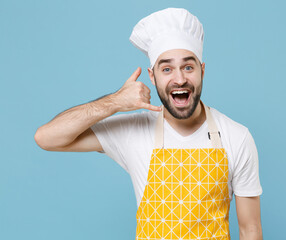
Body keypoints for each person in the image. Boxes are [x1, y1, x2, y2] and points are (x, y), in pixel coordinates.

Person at [34, 8, 263, 240]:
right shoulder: (135, 130)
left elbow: (250, 229)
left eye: (188, 67)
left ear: (202, 71)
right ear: (152, 77)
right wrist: (114, 102)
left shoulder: (237, 136)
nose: (180, 79)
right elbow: (47, 137)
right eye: (166, 69)